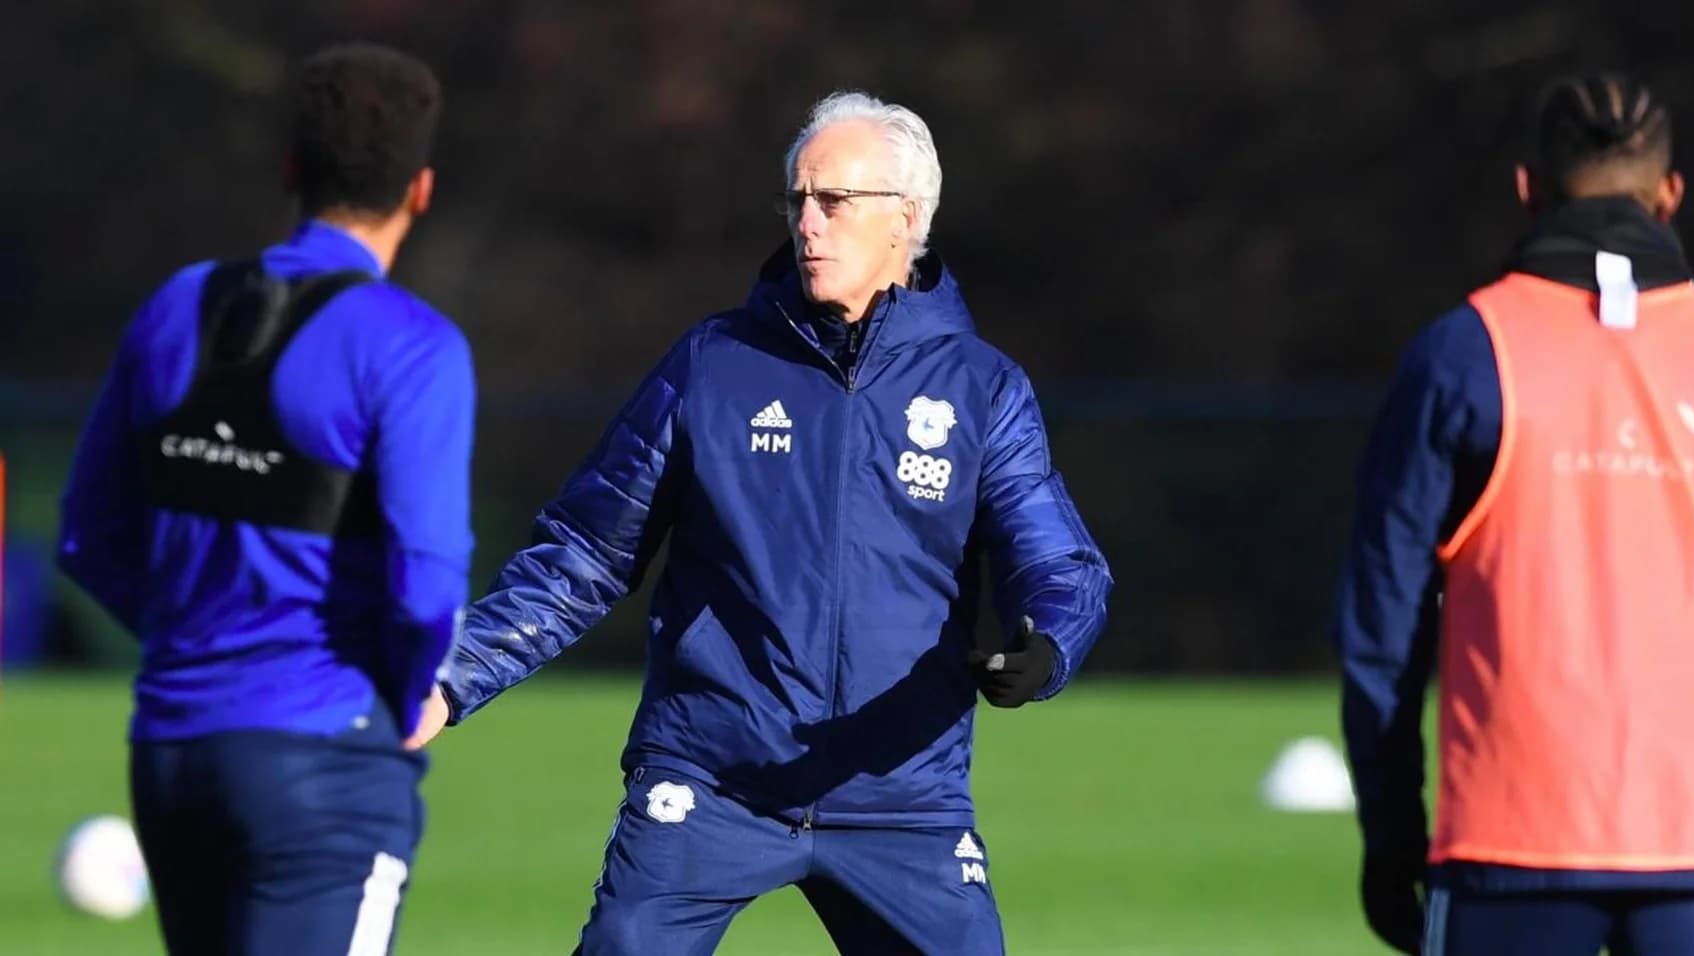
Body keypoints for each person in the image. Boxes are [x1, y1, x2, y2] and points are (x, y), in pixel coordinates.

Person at [413, 90, 1111, 954]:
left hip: (901, 794)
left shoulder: (983, 388)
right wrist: (451, 677)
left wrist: (1045, 648)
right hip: (711, 781)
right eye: (797, 201)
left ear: (907, 217)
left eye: (834, 201)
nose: (807, 224)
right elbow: (586, 554)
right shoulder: (713, 364)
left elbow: (1059, 563)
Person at [57, 43, 473, 955]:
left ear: (291, 170)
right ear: (422, 189)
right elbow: (425, 583)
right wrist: (396, 707)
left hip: (170, 754)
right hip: (322, 759)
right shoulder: (412, 346)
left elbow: (89, 536)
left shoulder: (176, 306)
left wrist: (194, 638)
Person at [1337, 71, 1694, 955]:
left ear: (1528, 187)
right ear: (1670, 196)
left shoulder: (1463, 353)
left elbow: (1384, 628)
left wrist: (1390, 835)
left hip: (1508, 849)